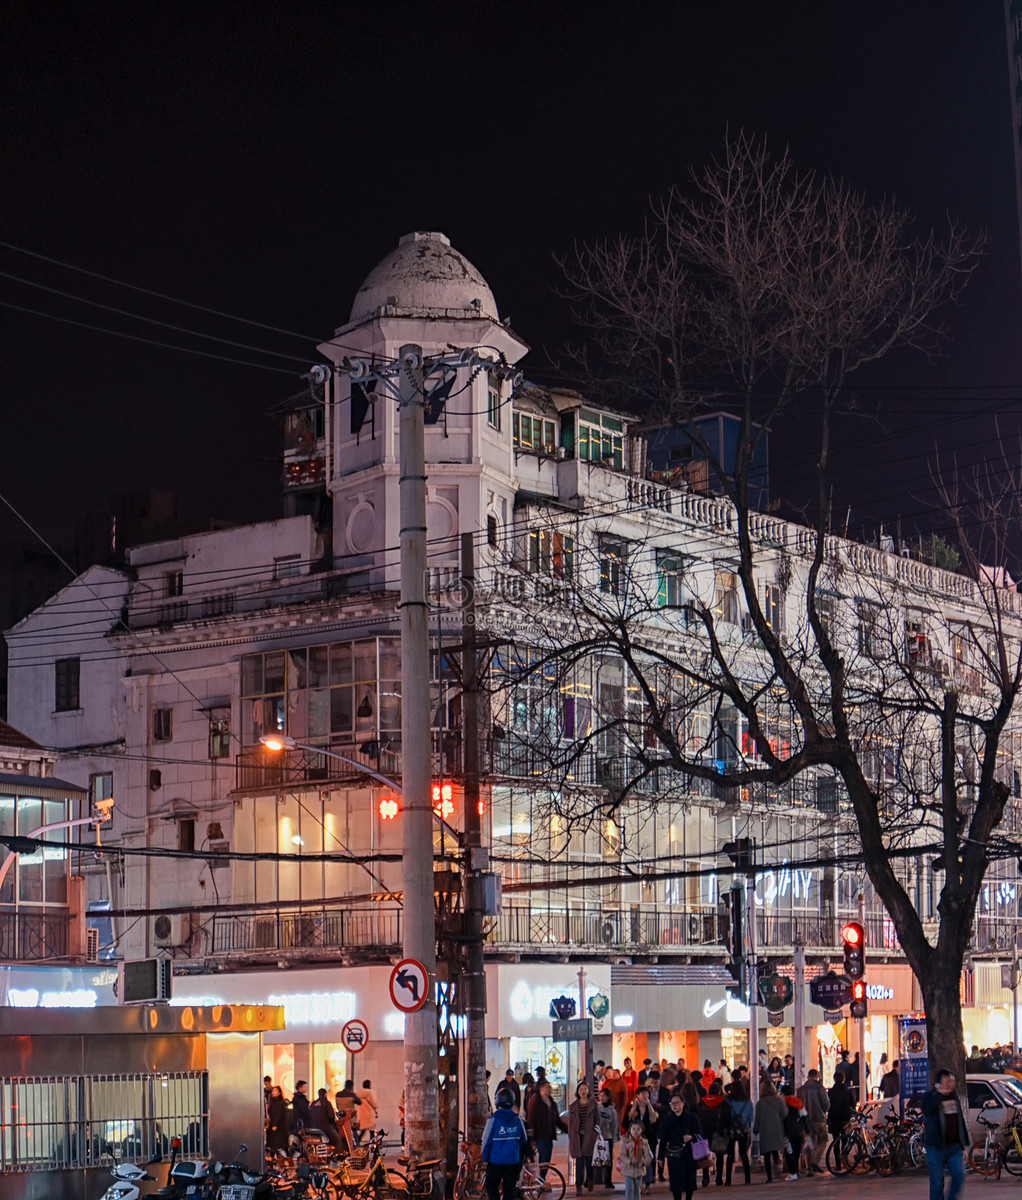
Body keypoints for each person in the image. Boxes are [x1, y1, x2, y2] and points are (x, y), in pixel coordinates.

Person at [921, 1069, 969, 1200]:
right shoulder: (930, 1096)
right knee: (936, 1183)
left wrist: (964, 1142)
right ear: (940, 1082)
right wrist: (938, 1095)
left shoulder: (954, 1097)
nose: (951, 1084)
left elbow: (960, 1119)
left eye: (952, 1081)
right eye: (948, 1081)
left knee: (959, 1174)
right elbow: (926, 1110)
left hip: (954, 1146)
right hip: (935, 1147)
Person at [481, 1087, 530, 1200]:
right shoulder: (518, 1120)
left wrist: (485, 1158)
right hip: (512, 1162)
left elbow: (486, 1141)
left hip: (495, 1162)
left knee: (491, 1185)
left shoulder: (493, 1120)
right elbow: (524, 1141)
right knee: (509, 1189)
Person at [657, 1091, 700, 1200]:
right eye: (672, 1103)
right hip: (674, 1154)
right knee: (676, 1183)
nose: (674, 1105)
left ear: (683, 1103)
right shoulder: (667, 1119)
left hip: (689, 1154)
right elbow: (663, 1139)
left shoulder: (691, 1118)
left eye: (677, 1103)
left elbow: (700, 1134)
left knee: (689, 1182)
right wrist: (660, 1157)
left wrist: (691, 1137)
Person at [527, 1079, 567, 1183]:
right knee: (543, 1160)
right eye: (547, 1087)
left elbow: (557, 1119)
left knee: (546, 1161)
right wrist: (531, 1138)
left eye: (550, 1087)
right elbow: (530, 1120)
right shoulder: (535, 1102)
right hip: (539, 1136)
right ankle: (541, 1181)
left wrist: (567, 1129)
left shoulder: (551, 1102)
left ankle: (541, 1181)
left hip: (549, 1135)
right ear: (541, 1088)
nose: (550, 1089)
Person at [697, 1079, 733, 1188]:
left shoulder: (702, 1102)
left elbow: (698, 1116)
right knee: (719, 1155)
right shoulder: (723, 1102)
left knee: (705, 1155)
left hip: (704, 1131)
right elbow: (728, 1117)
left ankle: (705, 1177)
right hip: (718, 1132)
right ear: (718, 1091)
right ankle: (718, 1178)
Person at [753, 1079, 787, 1184]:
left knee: (767, 1155)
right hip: (777, 1128)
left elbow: (757, 1118)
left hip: (765, 1130)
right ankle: (777, 1165)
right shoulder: (779, 1100)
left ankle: (769, 1177)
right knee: (775, 1150)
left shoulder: (760, 1103)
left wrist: (756, 1129)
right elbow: (785, 1113)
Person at [625, 1086, 659, 1191]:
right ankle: (638, 1181)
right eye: (642, 1093)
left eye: (646, 1093)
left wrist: (649, 1106)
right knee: (637, 1160)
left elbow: (655, 1122)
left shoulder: (651, 1108)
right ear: (637, 1096)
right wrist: (633, 1108)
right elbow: (626, 1122)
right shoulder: (631, 1108)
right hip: (635, 1139)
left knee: (649, 1159)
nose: (645, 1095)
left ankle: (649, 1181)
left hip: (650, 1138)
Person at [568, 1080, 599, 1195]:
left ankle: (590, 1179)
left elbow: (597, 1120)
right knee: (579, 1162)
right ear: (578, 1091)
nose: (583, 1091)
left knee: (589, 1161)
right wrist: (571, 1136)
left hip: (590, 1135)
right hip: (577, 1136)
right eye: (581, 1089)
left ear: (588, 1091)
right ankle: (579, 1186)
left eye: (585, 1089)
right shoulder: (574, 1106)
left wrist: (596, 1133)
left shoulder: (593, 1104)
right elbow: (571, 1123)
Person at [796, 1068, 829, 1175]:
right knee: (823, 1140)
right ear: (817, 1076)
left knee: (808, 1143)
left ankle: (809, 1169)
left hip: (805, 1121)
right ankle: (815, 1160)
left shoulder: (800, 1090)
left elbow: (798, 1106)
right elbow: (826, 1104)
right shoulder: (820, 1088)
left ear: (808, 1076)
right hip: (819, 1118)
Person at [724, 1071, 752, 1185]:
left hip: (731, 1129)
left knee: (730, 1154)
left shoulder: (728, 1100)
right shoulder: (747, 1101)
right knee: (743, 1153)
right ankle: (747, 1178)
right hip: (743, 1128)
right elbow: (751, 1117)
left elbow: (724, 1115)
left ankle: (728, 1180)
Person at [620, 1119, 653, 1200]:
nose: (635, 1131)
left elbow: (649, 1156)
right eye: (633, 1129)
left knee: (637, 1190)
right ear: (630, 1130)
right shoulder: (626, 1142)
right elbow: (622, 1156)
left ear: (641, 1130)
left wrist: (643, 1162)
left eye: (638, 1129)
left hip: (639, 1170)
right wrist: (630, 1161)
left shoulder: (644, 1143)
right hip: (628, 1170)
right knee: (629, 1189)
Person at [780, 1084, 807, 1181]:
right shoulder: (798, 1102)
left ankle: (793, 1173)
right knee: (796, 1153)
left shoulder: (782, 1103)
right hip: (799, 1131)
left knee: (788, 1153)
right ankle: (796, 1171)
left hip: (787, 1133)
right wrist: (807, 1131)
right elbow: (804, 1117)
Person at [309, 1087, 345, 1155]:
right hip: (326, 1127)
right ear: (326, 1094)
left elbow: (310, 1115)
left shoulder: (313, 1104)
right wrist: (332, 1124)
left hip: (315, 1128)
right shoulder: (327, 1103)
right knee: (338, 1140)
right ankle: (338, 1155)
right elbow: (331, 1116)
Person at [597, 1087, 619, 1188]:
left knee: (608, 1160)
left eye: (604, 1096)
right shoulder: (597, 1108)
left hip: (608, 1137)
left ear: (608, 1097)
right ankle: (592, 1179)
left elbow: (615, 1124)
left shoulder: (612, 1110)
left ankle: (608, 1180)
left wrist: (614, 1137)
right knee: (596, 1158)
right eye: (600, 1095)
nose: (602, 1098)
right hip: (598, 1137)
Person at [266, 1084, 291, 1154]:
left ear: (279, 1093)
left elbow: (278, 1114)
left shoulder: (279, 1103)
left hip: (279, 1128)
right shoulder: (273, 1102)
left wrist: (275, 1125)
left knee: (278, 1146)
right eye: (273, 1091)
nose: (273, 1092)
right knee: (274, 1147)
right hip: (273, 1126)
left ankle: (285, 1159)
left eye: (275, 1091)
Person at [355, 1079, 378, 1145]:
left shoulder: (358, 1094)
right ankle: (372, 1145)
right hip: (369, 1114)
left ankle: (357, 1143)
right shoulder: (370, 1093)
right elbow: (375, 1104)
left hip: (361, 1114)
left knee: (362, 1131)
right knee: (371, 1132)